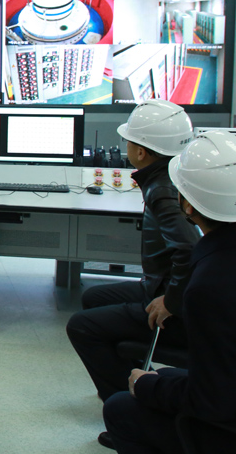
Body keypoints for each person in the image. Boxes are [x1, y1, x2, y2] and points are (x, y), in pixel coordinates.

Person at [103, 130, 236, 454]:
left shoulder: (210, 285)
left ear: (188, 205)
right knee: (167, 377)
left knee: (120, 409)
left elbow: (213, 402)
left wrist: (147, 385)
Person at [66, 100, 199, 447]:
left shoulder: (162, 191)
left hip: (172, 298)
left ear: (140, 151)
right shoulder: (168, 178)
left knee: (81, 327)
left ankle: (130, 406)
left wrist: (170, 301)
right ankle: (132, 378)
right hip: (162, 286)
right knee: (93, 297)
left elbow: (188, 249)